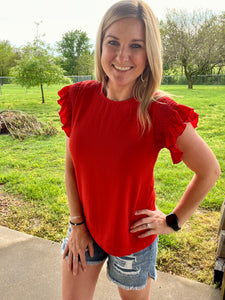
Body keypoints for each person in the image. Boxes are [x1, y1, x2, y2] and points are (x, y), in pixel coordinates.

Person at [58, 1, 220, 299]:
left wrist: (173, 221)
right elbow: (71, 165)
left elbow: (210, 171)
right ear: (101, 45)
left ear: (150, 54)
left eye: (136, 45)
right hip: (84, 230)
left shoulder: (160, 112)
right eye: (113, 43)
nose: (122, 56)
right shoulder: (79, 98)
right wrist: (76, 223)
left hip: (133, 240)